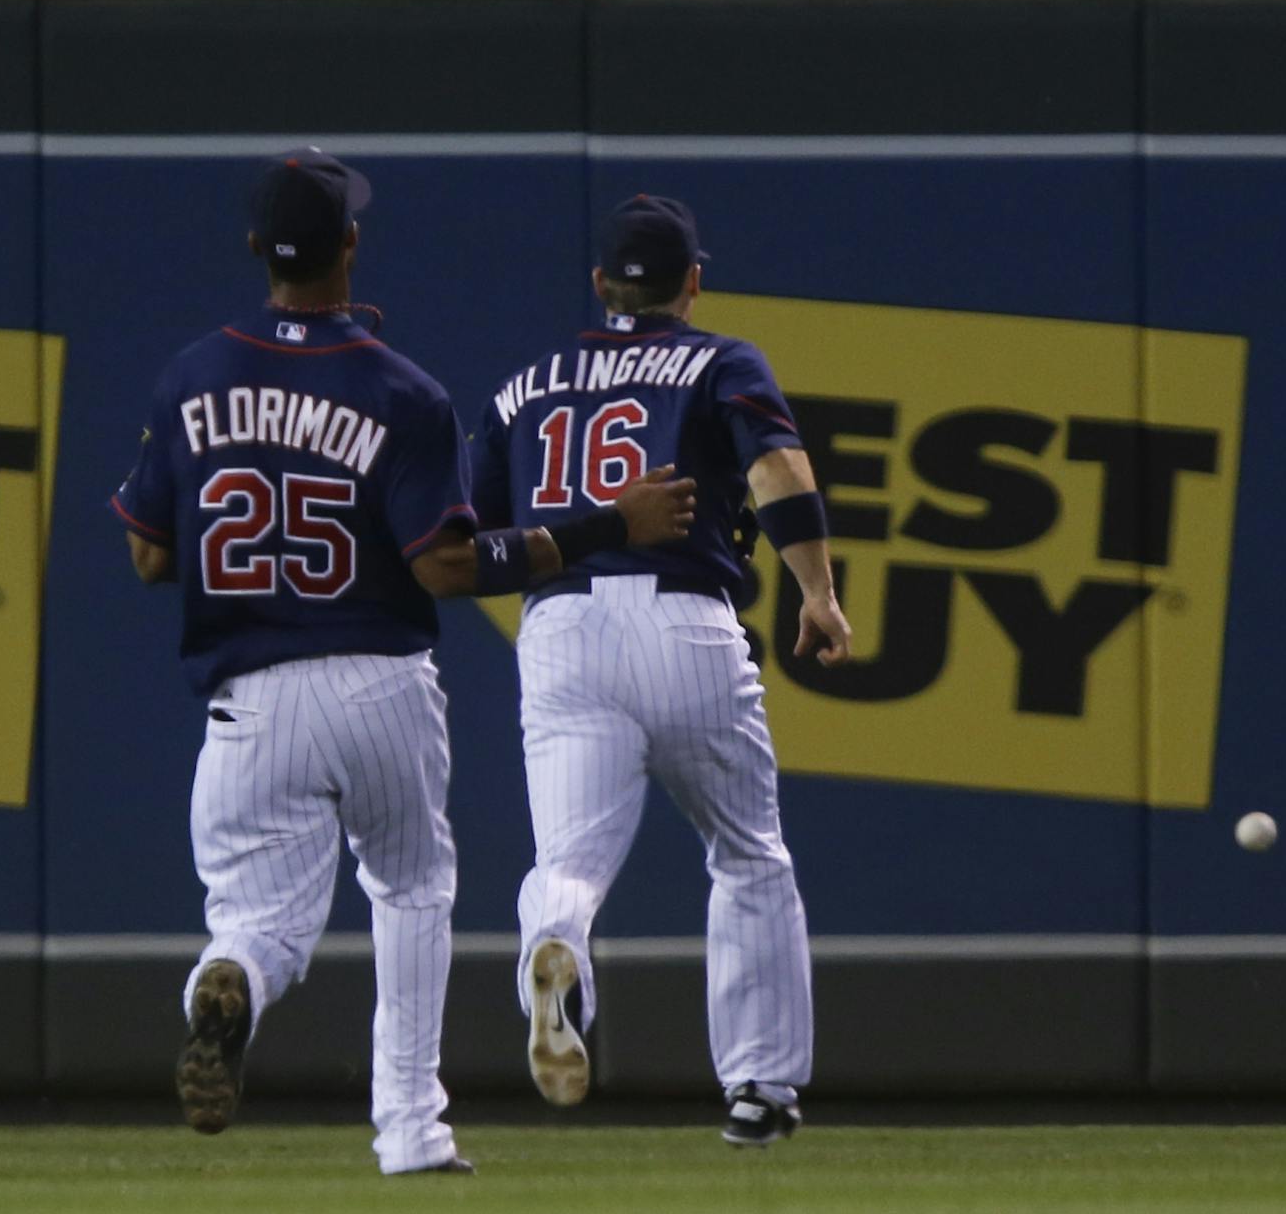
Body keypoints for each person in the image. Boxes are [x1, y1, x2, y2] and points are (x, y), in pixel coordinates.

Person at [109, 152, 693, 1176]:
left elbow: (150, 552)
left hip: (249, 699)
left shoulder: (193, 376)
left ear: (257, 250)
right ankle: (412, 1132)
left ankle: (227, 974)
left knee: (258, 923)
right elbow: (448, 566)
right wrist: (601, 526)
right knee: (413, 890)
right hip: (379, 680)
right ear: (351, 245)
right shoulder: (402, 390)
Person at [470, 193, 852, 1146]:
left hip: (561, 627)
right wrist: (818, 590)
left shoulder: (525, 388)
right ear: (693, 280)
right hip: (687, 620)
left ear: (601, 285)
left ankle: (555, 946)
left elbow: (475, 540)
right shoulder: (720, 360)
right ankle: (760, 1086)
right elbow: (779, 475)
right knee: (748, 852)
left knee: (566, 863)